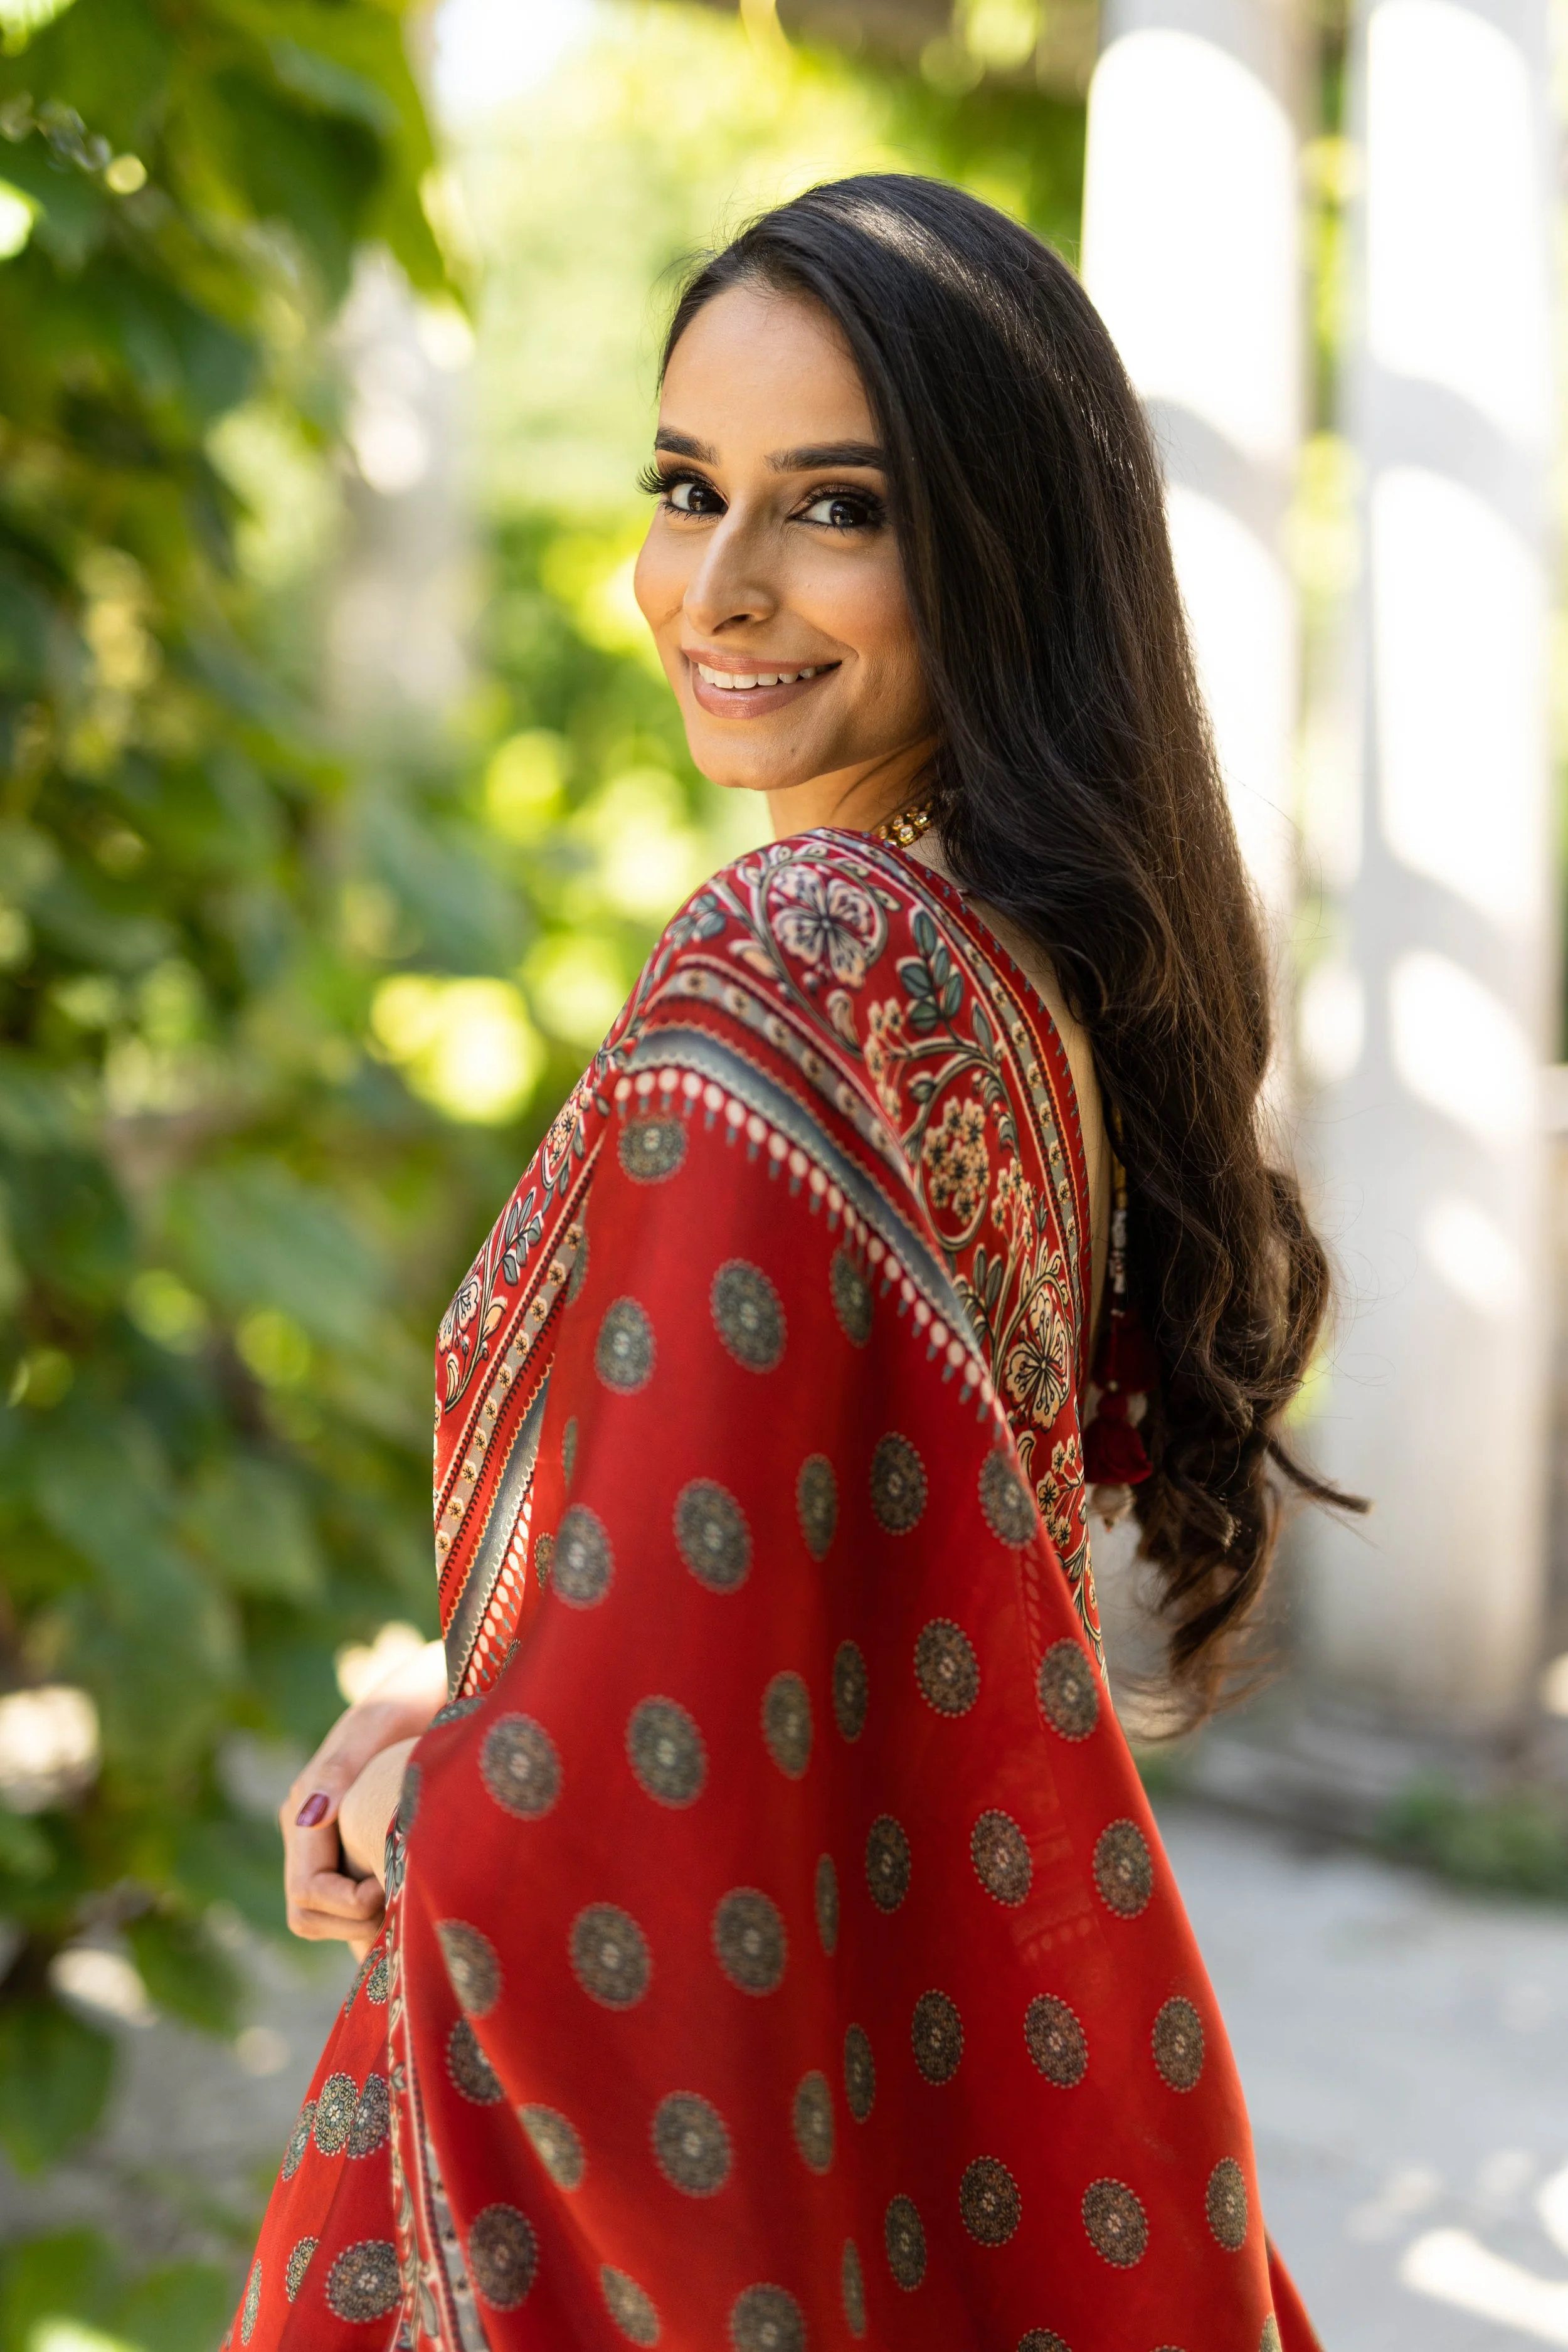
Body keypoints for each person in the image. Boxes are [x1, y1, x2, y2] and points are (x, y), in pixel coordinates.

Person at [235, 174, 1343, 2351]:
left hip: (733, 2119)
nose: (715, 589)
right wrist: (482, 1702)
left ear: (993, 559)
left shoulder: (808, 949)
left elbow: (644, 1754)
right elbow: (774, 1594)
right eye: (684, 487)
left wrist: (425, 1790)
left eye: (831, 508)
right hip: (886, 2066)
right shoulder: (1015, 979)